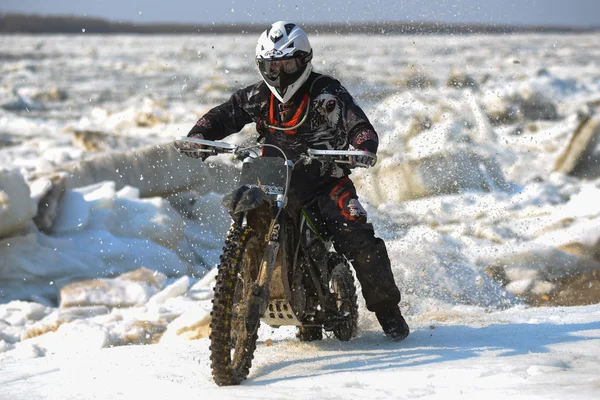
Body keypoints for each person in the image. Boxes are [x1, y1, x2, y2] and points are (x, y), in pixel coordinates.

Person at [184, 21, 409, 340]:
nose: (279, 72)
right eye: (272, 65)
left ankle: (388, 311)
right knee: (245, 220)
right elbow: (223, 115)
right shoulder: (256, 96)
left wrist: (362, 148)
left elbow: (359, 125)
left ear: (303, 60)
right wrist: (199, 137)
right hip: (271, 178)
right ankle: (247, 288)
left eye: (287, 63)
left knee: (359, 240)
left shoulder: (327, 92)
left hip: (325, 181)